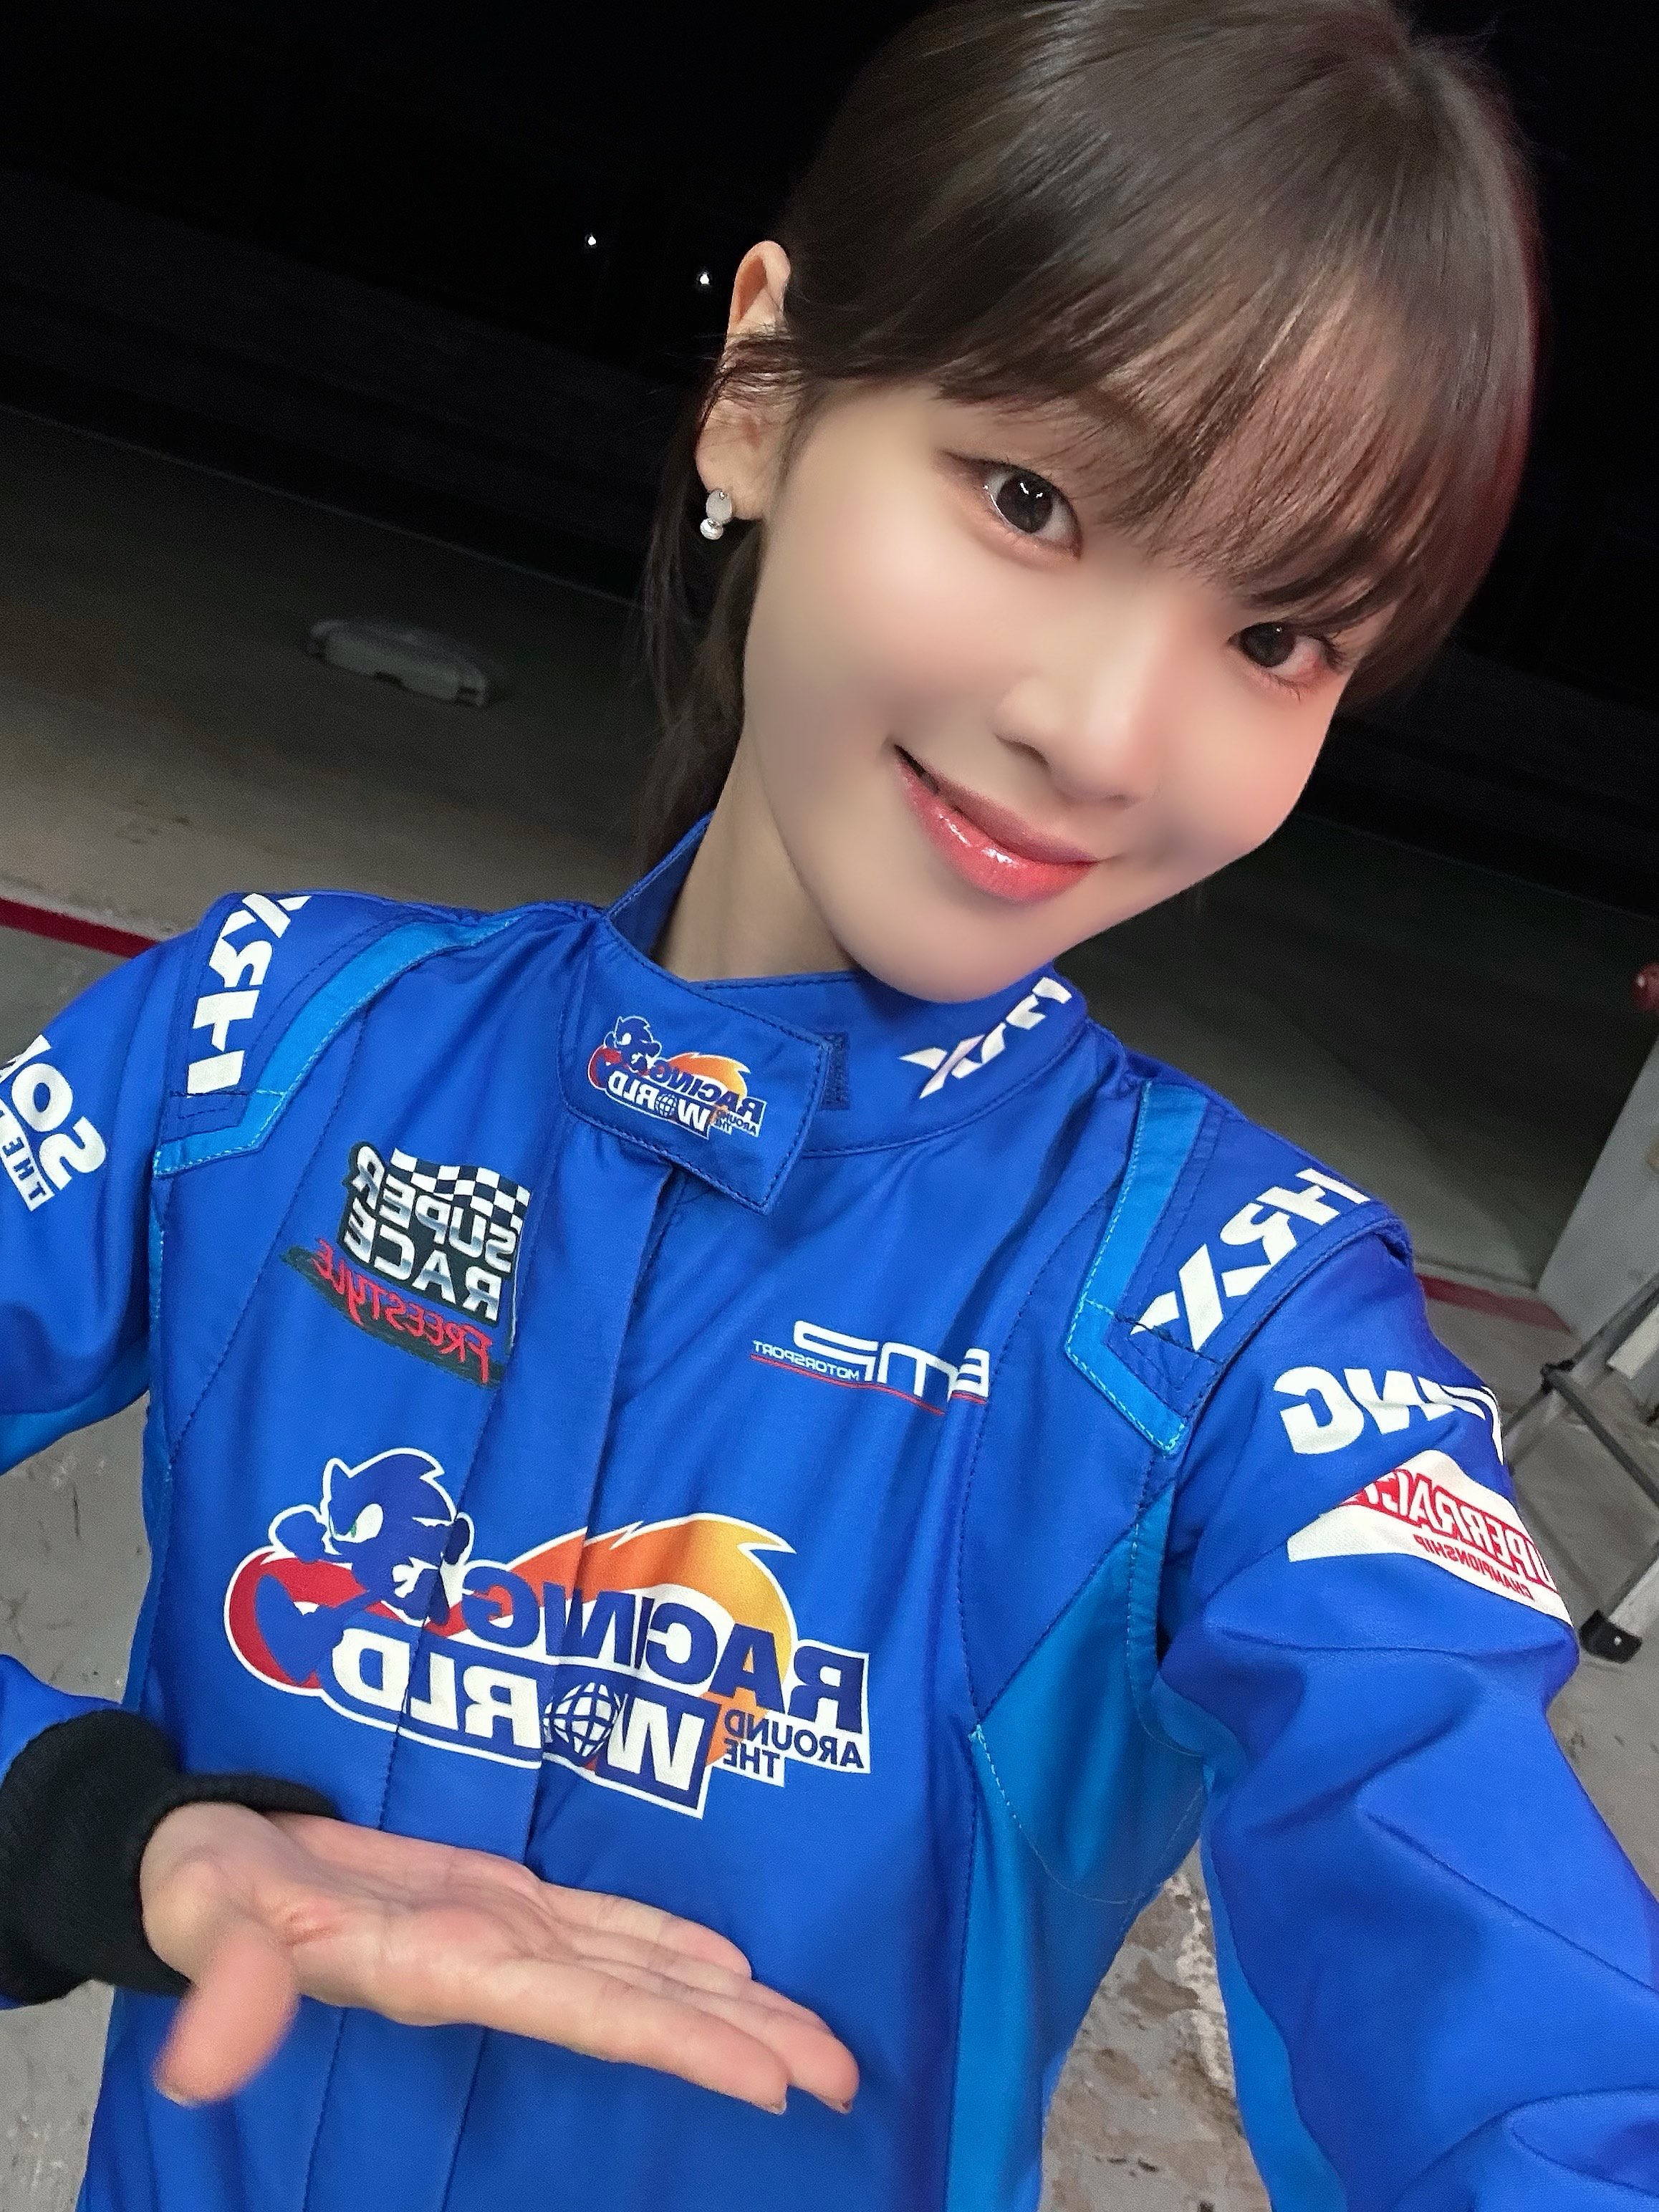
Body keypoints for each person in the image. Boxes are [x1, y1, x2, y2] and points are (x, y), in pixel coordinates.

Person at [2, 0, 1657, 2205]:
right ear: (762, 393)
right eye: (1032, 498)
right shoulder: (258, 1051)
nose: (1103, 735)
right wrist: (84, 1829)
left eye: (1277, 636)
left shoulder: (1226, 1334)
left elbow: (1484, 1954)